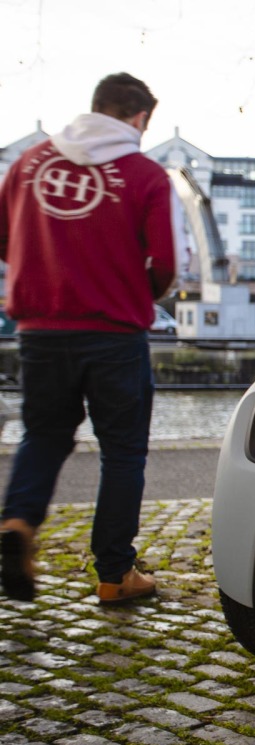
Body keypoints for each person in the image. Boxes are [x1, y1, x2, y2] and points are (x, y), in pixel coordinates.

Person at [0, 73, 178, 602]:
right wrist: (133, 289)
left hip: (40, 332)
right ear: (140, 118)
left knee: (45, 436)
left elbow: (5, 242)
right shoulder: (144, 174)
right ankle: (114, 573)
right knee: (122, 453)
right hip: (114, 334)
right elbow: (165, 262)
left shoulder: (28, 165)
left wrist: (53, 272)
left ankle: (18, 523)